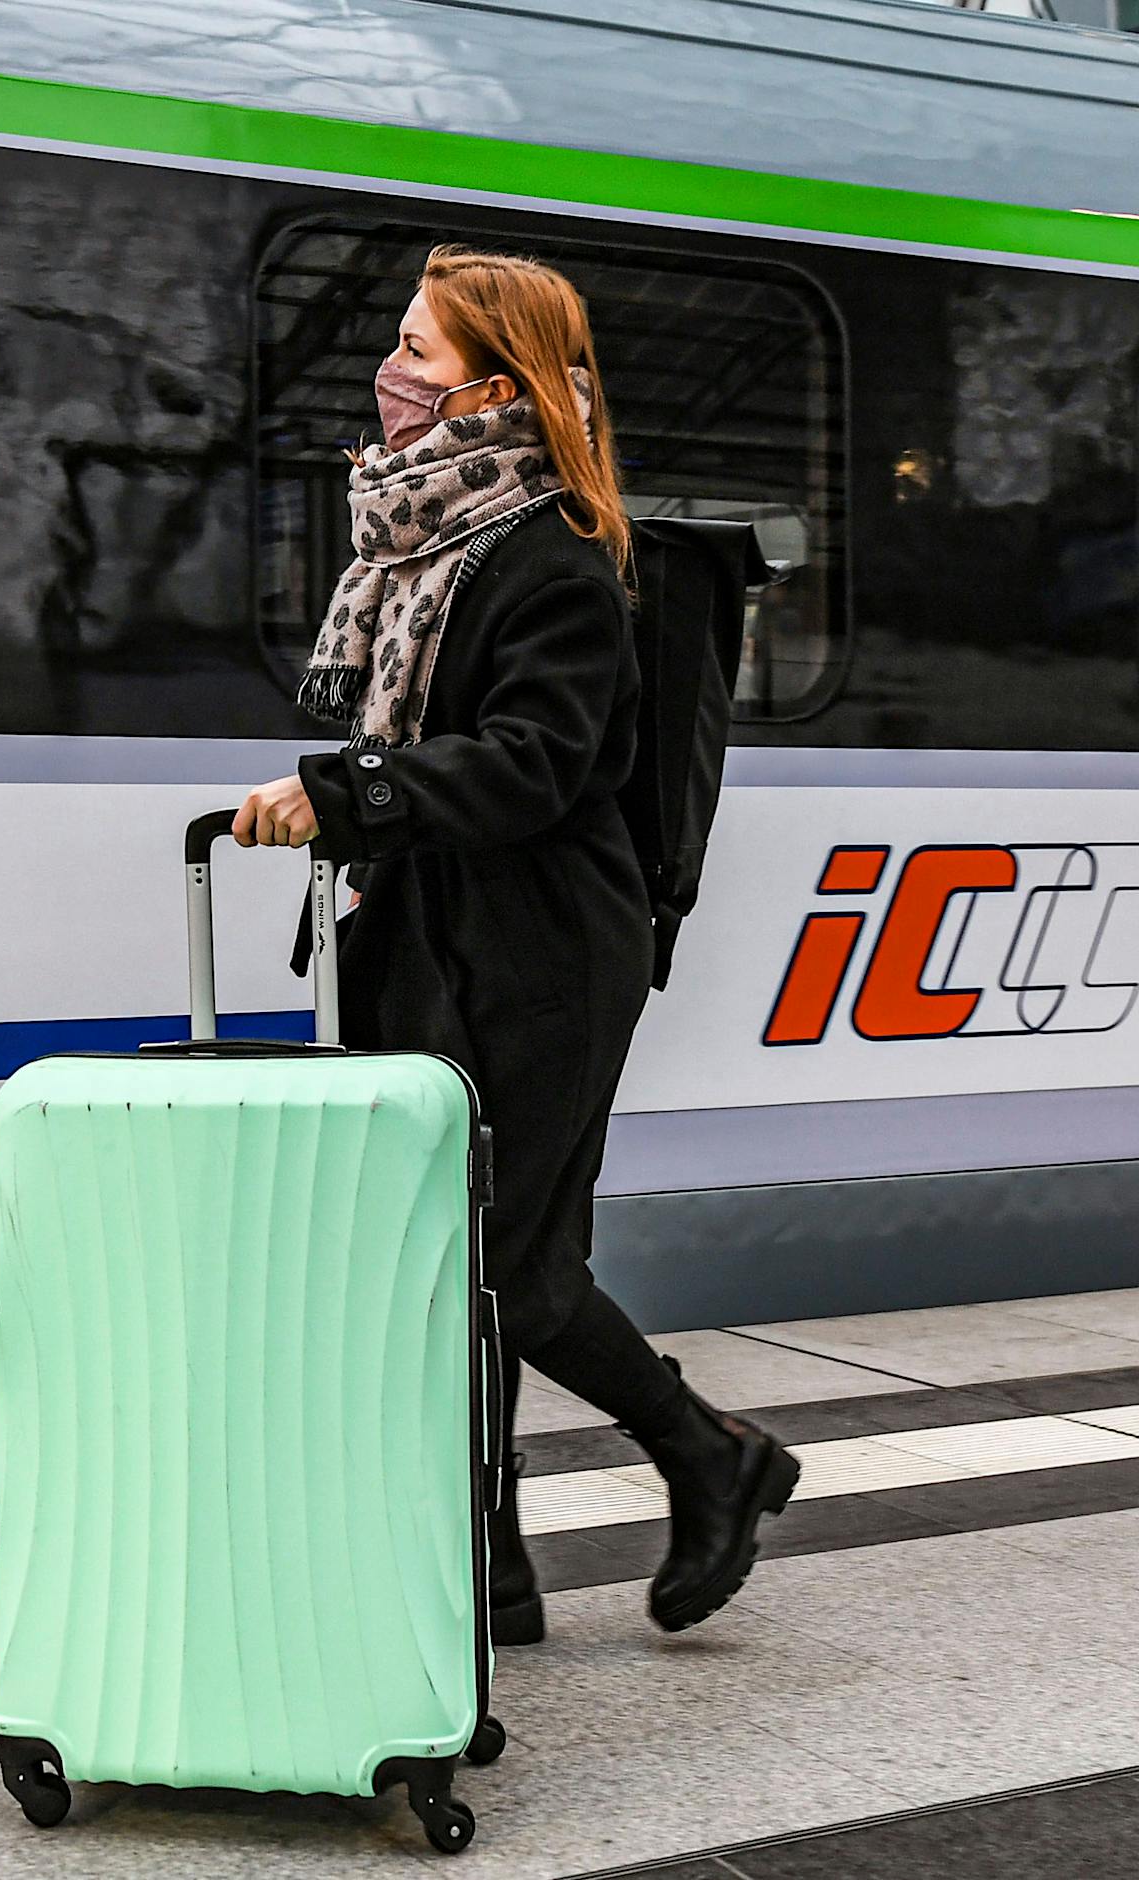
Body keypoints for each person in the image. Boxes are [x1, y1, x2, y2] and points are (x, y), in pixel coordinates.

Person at [232, 245, 799, 1645]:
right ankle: (487, 1567)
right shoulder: (417, 547)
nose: (392, 373)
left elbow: (536, 765)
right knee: (437, 1259)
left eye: (419, 351)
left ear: (498, 384)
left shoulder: (551, 558)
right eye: (400, 344)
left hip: (543, 955)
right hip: (431, 935)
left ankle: (711, 1456)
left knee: (510, 1269)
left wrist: (351, 792)